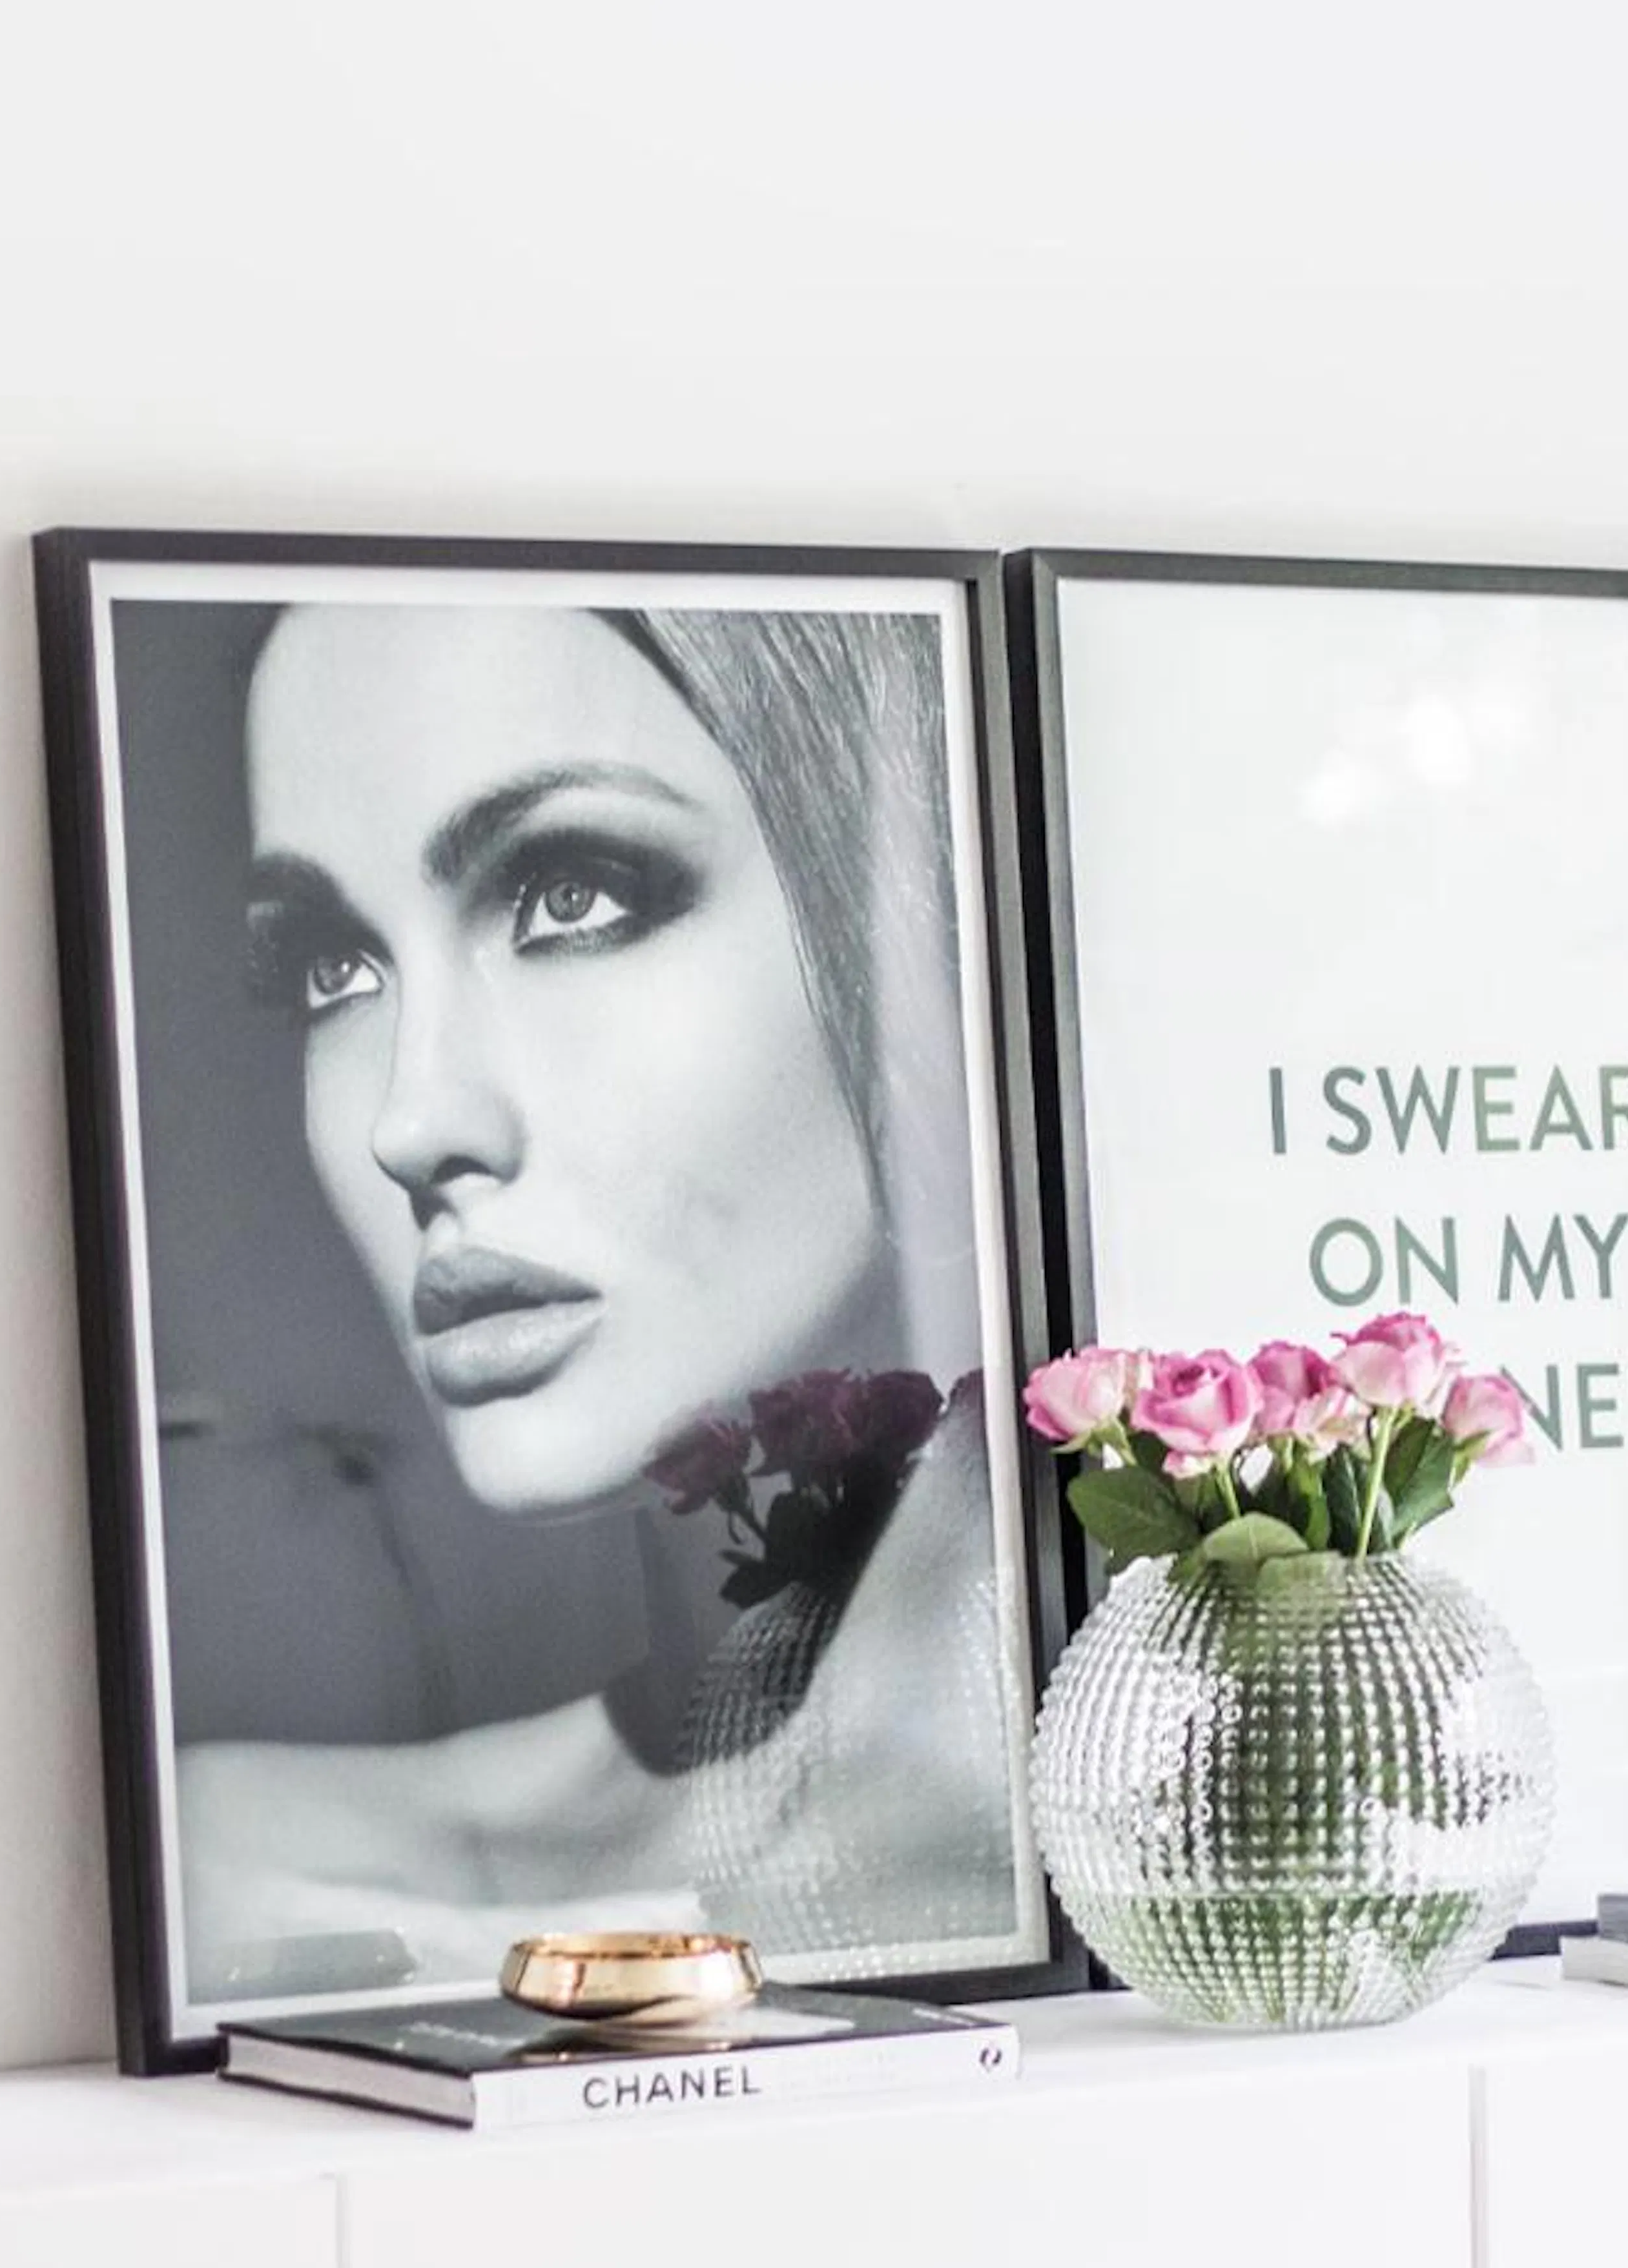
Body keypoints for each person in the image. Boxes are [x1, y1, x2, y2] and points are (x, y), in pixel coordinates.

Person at [174, 594, 1034, 2002]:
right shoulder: (232, 1868)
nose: (411, 1119)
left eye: (572, 895)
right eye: (335, 968)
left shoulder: (1187, 1820)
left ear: (921, 932)